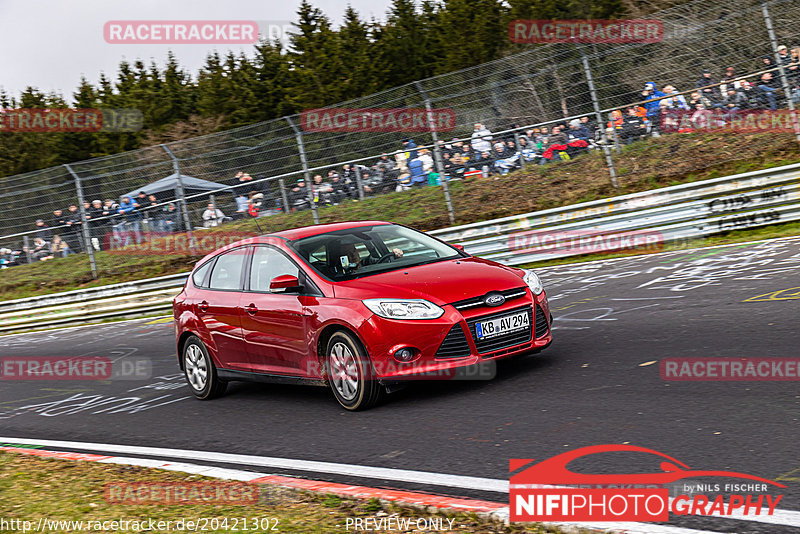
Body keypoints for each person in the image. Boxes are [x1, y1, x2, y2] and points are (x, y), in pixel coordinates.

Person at [338, 242, 403, 272]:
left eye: (354, 251)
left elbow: (380, 260)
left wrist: (395, 255)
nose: (353, 255)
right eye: (347, 253)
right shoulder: (335, 275)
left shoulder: (365, 263)